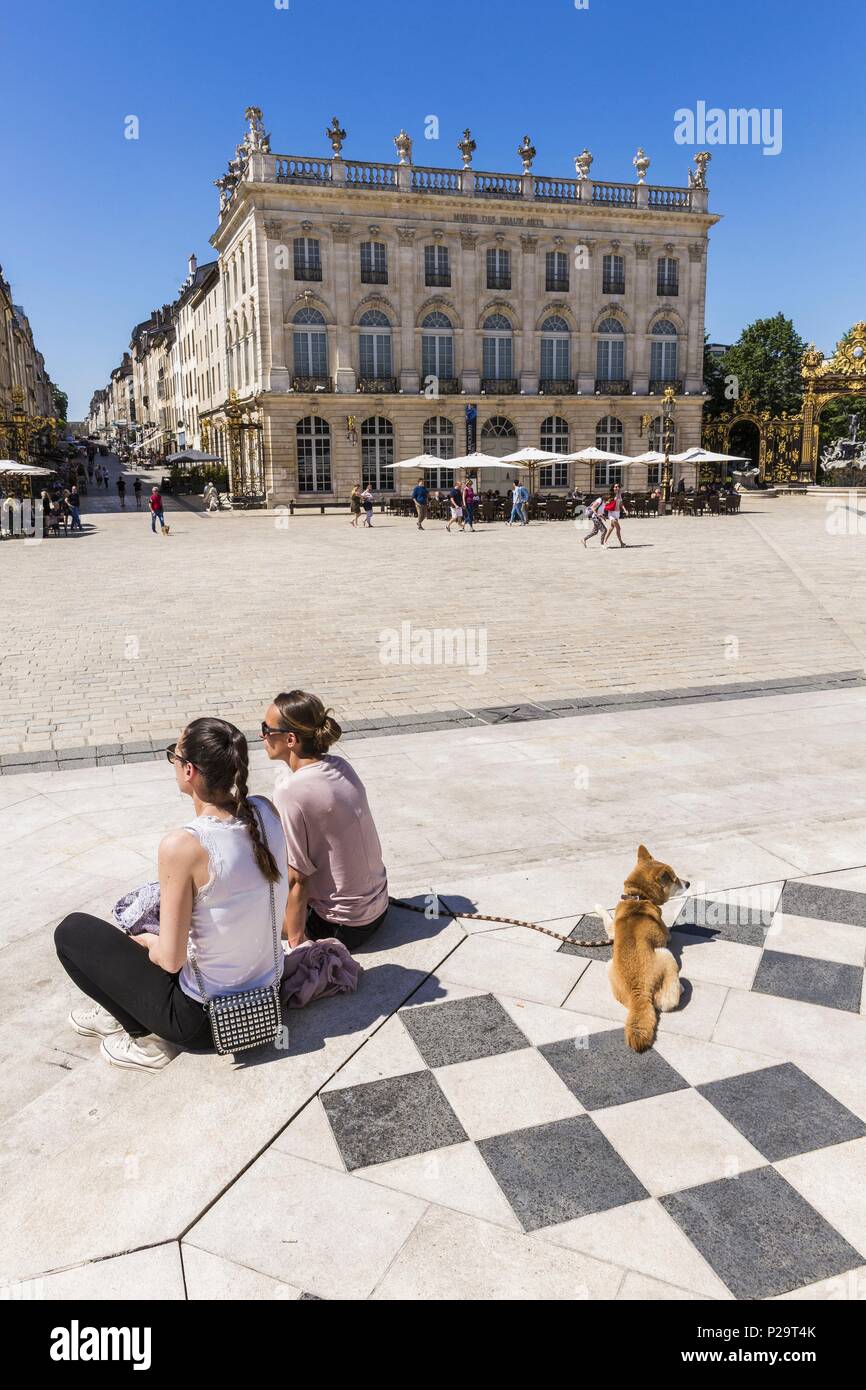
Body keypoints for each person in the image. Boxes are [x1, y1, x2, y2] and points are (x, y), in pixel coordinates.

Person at [54, 719, 288, 1072]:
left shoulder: (184, 845)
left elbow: (171, 961)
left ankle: (145, 1039)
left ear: (189, 770)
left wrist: (146, 940)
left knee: (73, 932)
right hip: (270, 999)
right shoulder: (264, 810)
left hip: (203, 1023)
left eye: (174, 757)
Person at [262, 691, 389, 952]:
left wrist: (298, 945)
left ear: (290, 739)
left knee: (246, 912)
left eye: (266, 729)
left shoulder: (291, 792)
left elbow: (297, 877)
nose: (262, 736)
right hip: (377, 909)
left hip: (341, 927)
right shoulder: (340, 765)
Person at [601, 483, 628, 547]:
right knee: (618, 528)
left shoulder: (620, 495)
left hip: (617, 513)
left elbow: (621, 504)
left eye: (618, 487)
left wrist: (625, 510)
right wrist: (608, 502)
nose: (616, 488)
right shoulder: (611, 495)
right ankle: (621, 543)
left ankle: (604, 541)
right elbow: (605, 503)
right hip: (611, 513)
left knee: (611, 527)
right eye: (615, 487)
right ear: (613, 488)